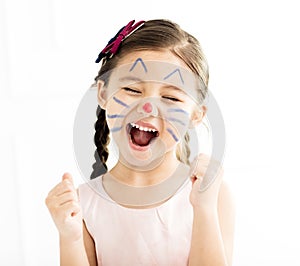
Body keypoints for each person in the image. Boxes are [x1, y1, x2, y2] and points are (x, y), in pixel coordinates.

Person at [45, 19, 235, 266]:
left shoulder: (213, 195)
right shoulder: (83, 204)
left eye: (170, 97)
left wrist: (205, 209)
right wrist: (69, 238)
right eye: (133, 90)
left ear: (196, 115)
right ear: (103, 94)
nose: (148, 107)